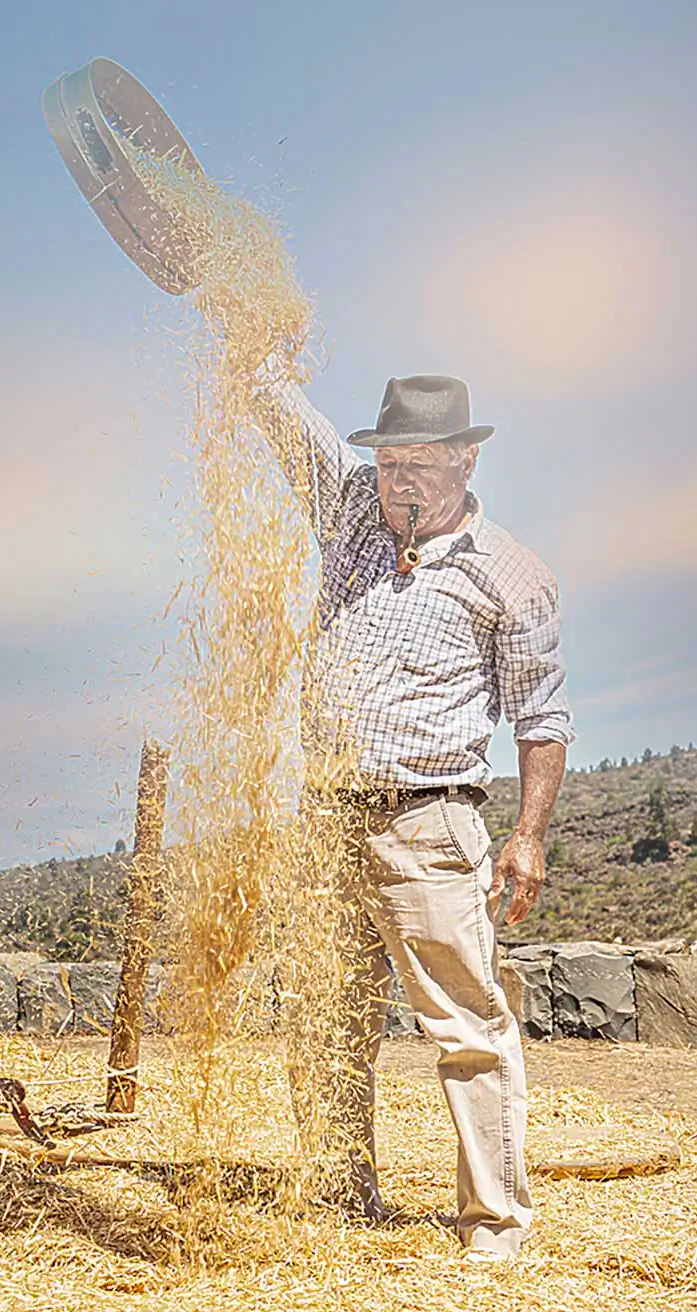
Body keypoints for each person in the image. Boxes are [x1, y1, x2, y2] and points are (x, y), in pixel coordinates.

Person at [255, 371, 575, 1263]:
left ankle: (493, 1227)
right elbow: (283, 415)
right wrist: (240, 325)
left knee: (467, 1028)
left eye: (420, 465)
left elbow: (542, 717)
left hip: (428, 824)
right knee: (324, 1017)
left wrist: (528, 836)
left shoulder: (511, 575)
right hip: (324, 821)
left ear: (466, 463)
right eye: (390, 462)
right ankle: (337, 1194)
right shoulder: (352, 509)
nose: (398, 481)